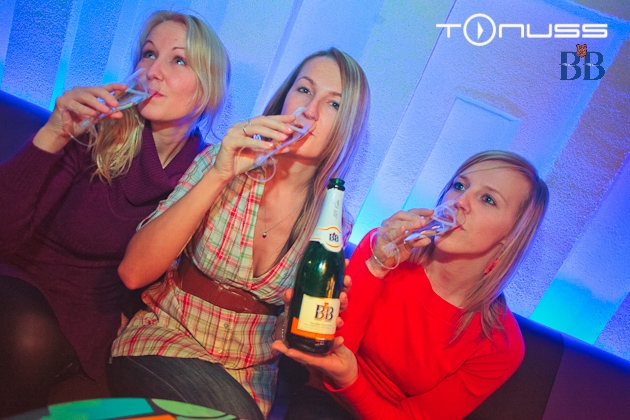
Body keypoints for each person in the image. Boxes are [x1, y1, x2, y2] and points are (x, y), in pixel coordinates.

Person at [107, 47, 370, 419]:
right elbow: (133, 272)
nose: (310, 110)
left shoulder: (332, 220)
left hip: (250, 373)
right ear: (285, 98)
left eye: (334, 104)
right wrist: (220, 174)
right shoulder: (223, 160)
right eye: (304, 90)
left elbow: (287, 339)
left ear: (348, 126)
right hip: (167, 336)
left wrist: (309, 318)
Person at [0, 11, 230, 417]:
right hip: (22, 285)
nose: (153, 70)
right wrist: (53, 134)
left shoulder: (205, 173)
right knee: (30, 339)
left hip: (92, 320)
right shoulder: (95, 129)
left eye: (178, 60)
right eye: (148, 54)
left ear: (208, 89)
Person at [274, 150, 550, 420]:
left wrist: (351, 380)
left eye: (488, 199)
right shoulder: (385, 248)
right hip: (323, 395)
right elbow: (331, 347)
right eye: (459, 185)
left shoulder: (500, 344)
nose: (460, 201)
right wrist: (377, 267)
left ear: (510, 236)